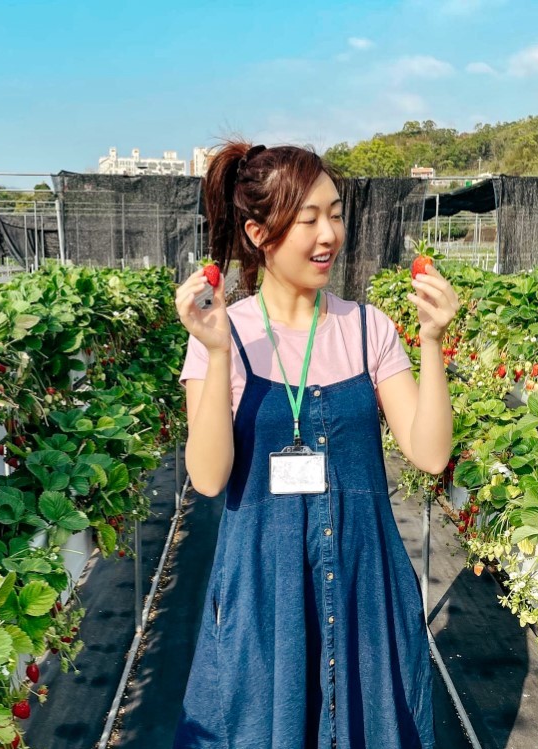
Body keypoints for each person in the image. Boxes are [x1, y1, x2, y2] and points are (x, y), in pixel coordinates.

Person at [174, 141, 459, 749]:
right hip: (265, 589)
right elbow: (207, 476)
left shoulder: (367, 329)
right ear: (258, 232)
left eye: (334, 213)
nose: (328, 234)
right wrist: (218, 350)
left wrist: (432, 340)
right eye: (308, 220)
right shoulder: (226, 333)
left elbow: (430, 453)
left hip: (364, 582)